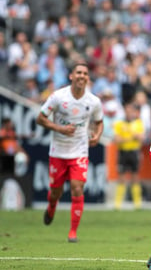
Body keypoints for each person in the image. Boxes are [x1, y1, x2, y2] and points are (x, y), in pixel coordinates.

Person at [37, 63, 103, 242]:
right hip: (58, 151)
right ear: (71, 76)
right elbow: (40, 118)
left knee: (77, 187)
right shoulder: (58, 97)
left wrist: (97, 136)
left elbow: (99, 121)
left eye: (85, 73)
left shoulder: (93, 101)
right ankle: (51, 206)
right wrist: (59, 128)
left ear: (88, 78)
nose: (82, 76)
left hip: (80, 151)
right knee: (56, 192)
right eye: (79, 73)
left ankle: (73, 232)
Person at [113, 102, 145, 209]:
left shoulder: (138, 123)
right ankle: (118, 204)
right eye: (127, 110)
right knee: (121, 177)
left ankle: (137, 203)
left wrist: (126, 137)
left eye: (131, 111)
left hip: (134, 151)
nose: (129, 113)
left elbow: (141, 137)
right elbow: (117, 140)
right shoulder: (119, 124)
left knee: (135, 176)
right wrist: (132, 137)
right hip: (123, 152)